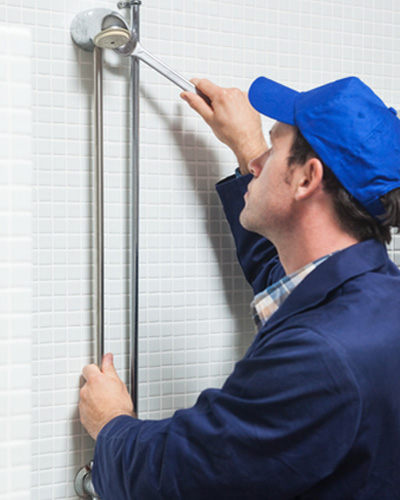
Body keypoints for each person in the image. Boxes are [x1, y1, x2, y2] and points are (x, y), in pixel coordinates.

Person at [79, 75, 400, 499]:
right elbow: (286, 281)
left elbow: (182, 477)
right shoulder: (374, 296)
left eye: (274, 146)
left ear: (307, 179)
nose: (256, 163)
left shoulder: (319, 355)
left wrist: (111, 424)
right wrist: (248, 146)